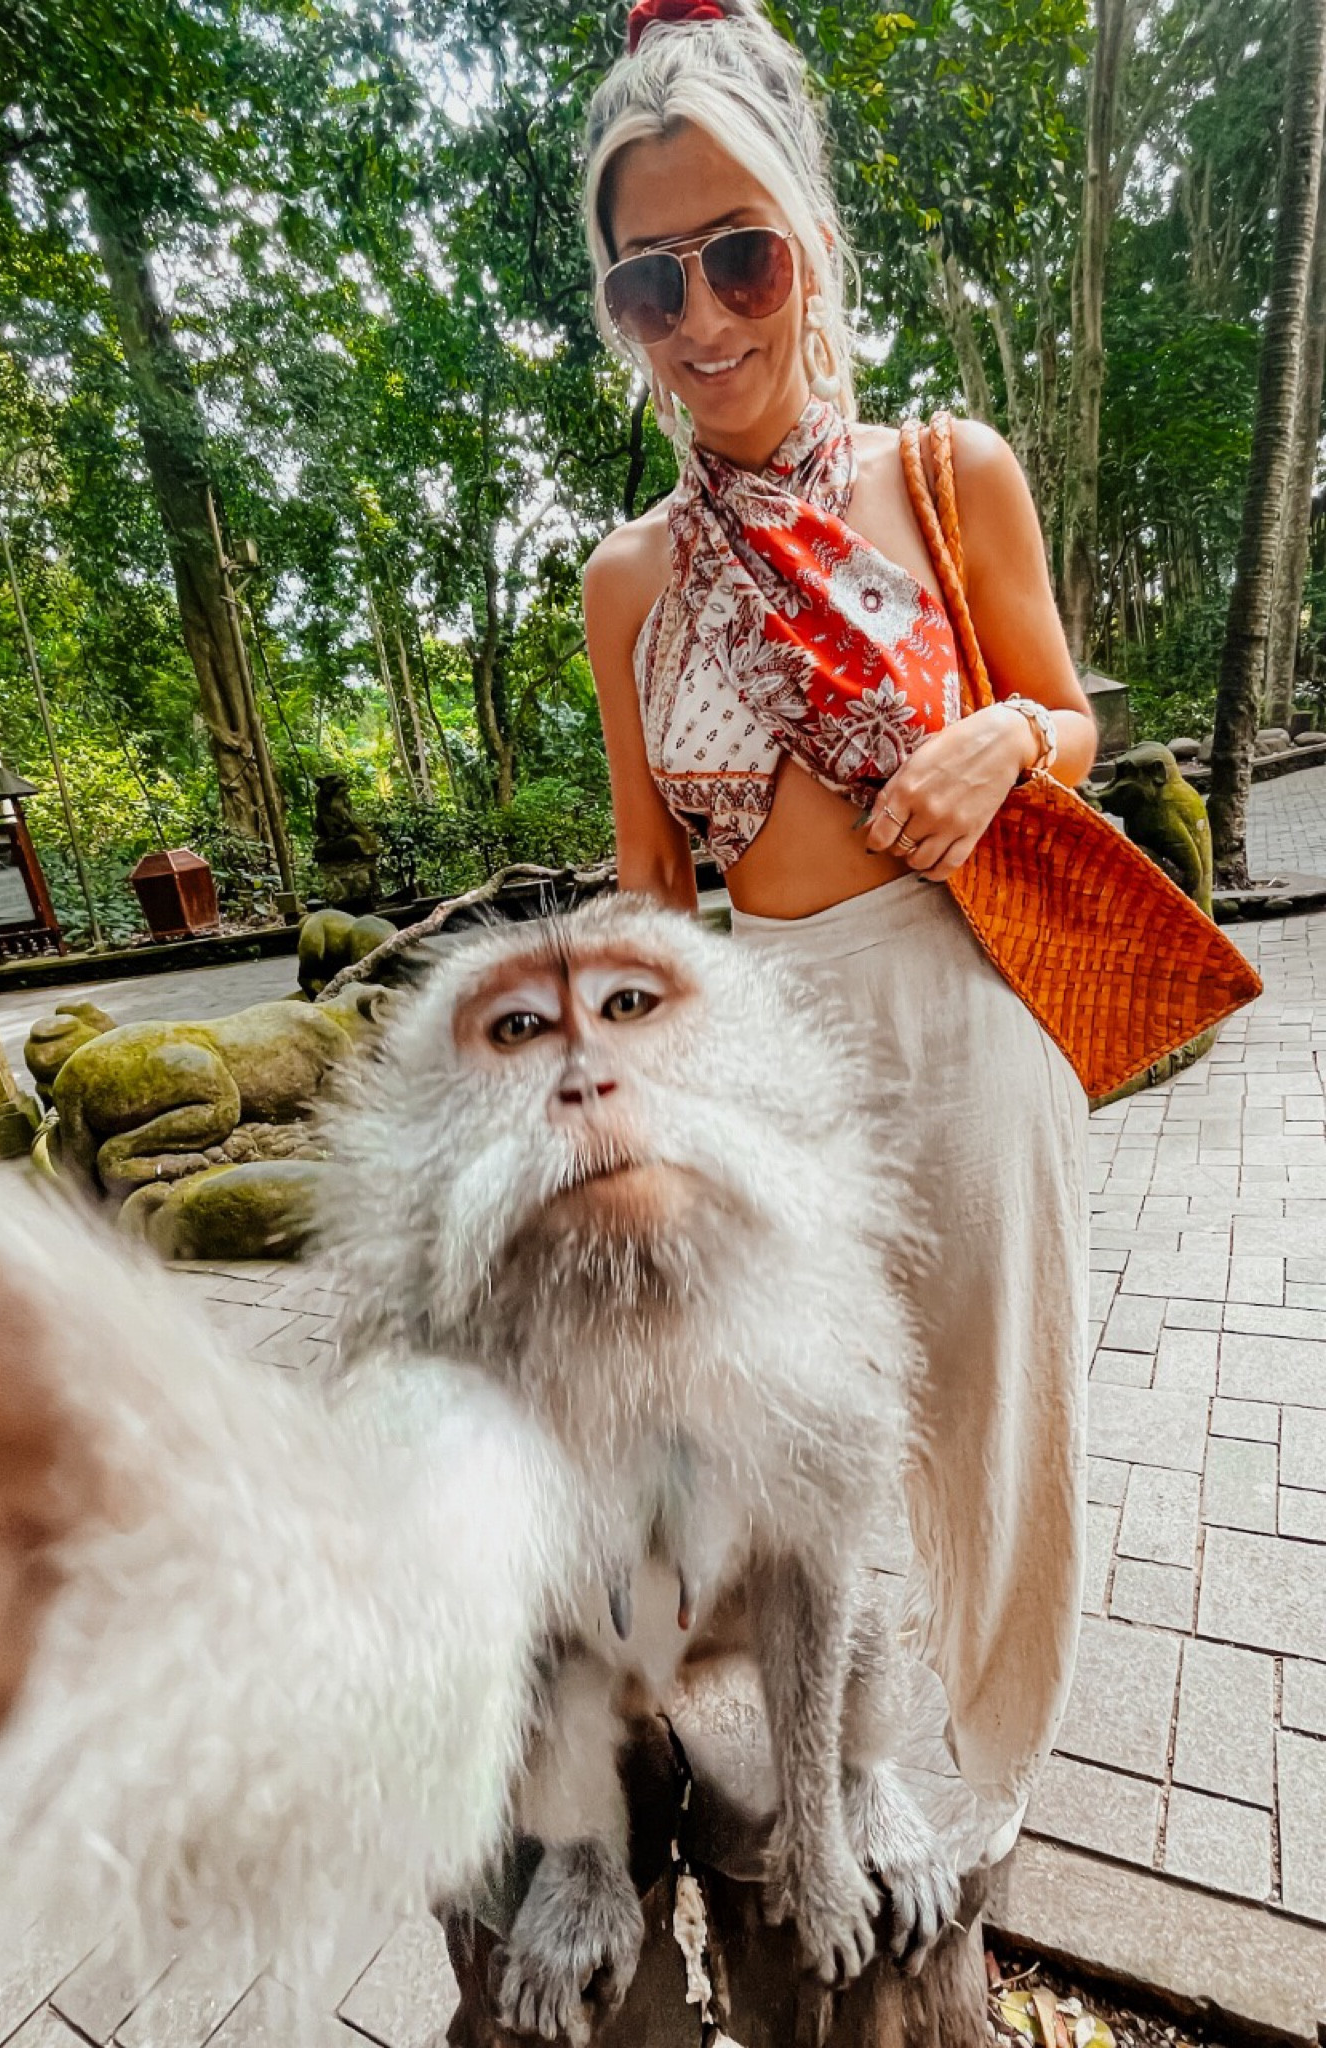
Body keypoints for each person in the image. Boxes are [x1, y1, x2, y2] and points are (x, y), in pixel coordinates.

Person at [580, 0, 1093, 1857]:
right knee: (810, 1443)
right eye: (654, 280)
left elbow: (1071, 718)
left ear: (804, 242)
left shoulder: (950, 478)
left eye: (740, 254)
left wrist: (1004, 739)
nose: (705, 316)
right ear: (620, 306)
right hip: (769, 1045)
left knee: (991, 1392)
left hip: (963, 998)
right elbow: (649, 890)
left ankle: (999, 1777)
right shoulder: (627, 576)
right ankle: (847, 1768)